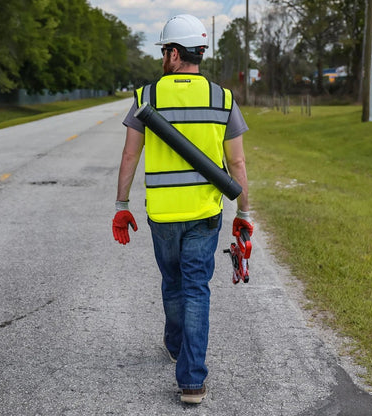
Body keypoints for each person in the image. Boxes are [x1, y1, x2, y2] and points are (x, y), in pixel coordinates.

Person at [112, 14, 253, 404]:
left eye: (163, 51)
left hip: (162, 213)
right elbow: (237, 164)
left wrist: (122, 204)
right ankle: (191, 380)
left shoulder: (146, 98)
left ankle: (175, 345)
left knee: (173, 282)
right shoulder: (222, 98)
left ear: (174, 53)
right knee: (196, 288)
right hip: (205, 213)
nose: (163, 57)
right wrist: (243, 213)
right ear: (199, 53)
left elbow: (129, 154)